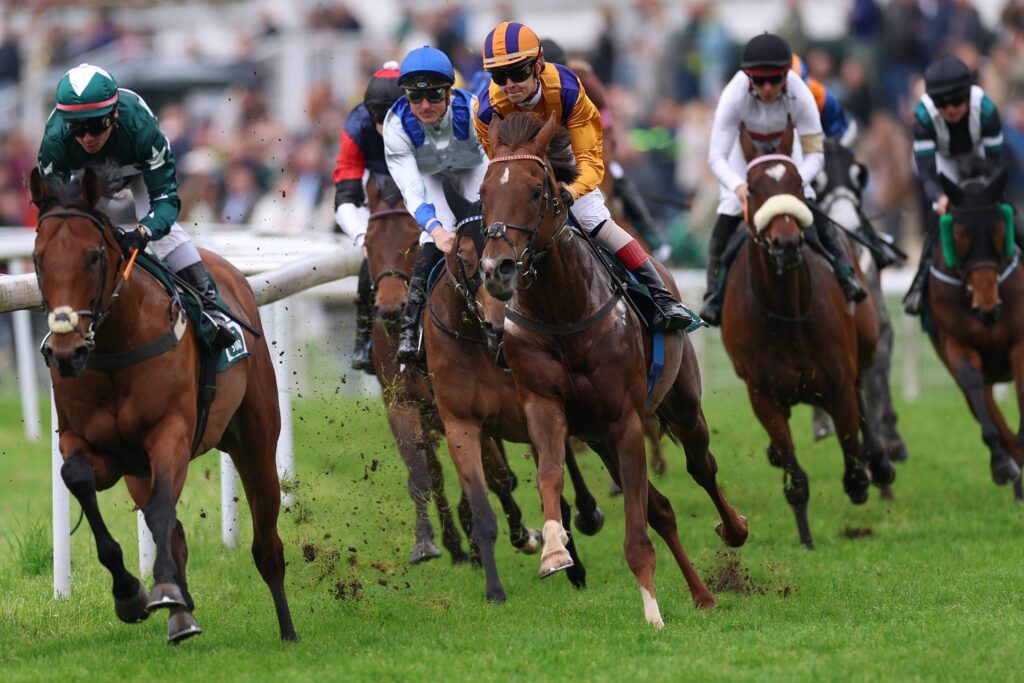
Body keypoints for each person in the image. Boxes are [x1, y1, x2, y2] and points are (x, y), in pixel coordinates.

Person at [474, 21, 692, 331]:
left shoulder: (567, 88)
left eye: (518, 72)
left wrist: (572, 191)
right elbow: (498, 163)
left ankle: (660, 295)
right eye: (499, 76)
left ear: (538, 65)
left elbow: (590, 158)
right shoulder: (486, 110)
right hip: (522, 168)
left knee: (595, 219)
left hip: (568, 159)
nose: (509, 84)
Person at [38, 63, 234, 348]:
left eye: (95, 125)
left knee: (163, 234)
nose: (88, 137)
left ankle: (211, 308)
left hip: (139, 171)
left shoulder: (142, 128)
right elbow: (55, 217)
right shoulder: (54, 144)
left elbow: (166, 200)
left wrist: (144, 231)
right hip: (85, 179)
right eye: (77, 128)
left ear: (114, 114)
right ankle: (62, 323)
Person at [701, 33, 866, 326]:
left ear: (786, 75)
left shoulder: (800, 93)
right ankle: (713, 293)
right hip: (744, 153)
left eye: (774, 80)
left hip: (791, 153)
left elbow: (816, 153)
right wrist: (739, 188)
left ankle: (845, 274)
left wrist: (792, 182)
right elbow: (717, 157)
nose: (766, 88)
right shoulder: (733, 95)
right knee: (728, 211)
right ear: (747, 76)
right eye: (759, 81)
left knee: (811, 204)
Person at [385, 46, 489, 364]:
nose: (425, 105)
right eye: (416, 98)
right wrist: (436, 228)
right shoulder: (396, 125)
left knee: (481, 230)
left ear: (449, 91)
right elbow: (412, 191)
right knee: (433, 240)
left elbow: (490, 163)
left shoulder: (473, 111)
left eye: (433, 95)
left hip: (474, 170)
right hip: (431, 178)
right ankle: (411, 328)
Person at [541, 37, 672, 263]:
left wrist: (603, 156)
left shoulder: (583, 80)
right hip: (556, 153)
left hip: (592, 146)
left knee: (619, 177)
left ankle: (651, 234)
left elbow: (604, 120)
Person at [903, 54, 1013, 315]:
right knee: (934, 223)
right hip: (943, 163)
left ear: (967, 94)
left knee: (1006, 212)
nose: (950, 109)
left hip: (979, 159)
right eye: (942, 103)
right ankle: (920, 285)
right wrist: (940, 198)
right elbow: (928, 173)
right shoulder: (923, 117)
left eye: (956, 101)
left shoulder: (986, 110)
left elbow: (995, 165)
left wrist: (987, 196)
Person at [332, 61, 404, 373]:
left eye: (393, 116)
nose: (384, 125)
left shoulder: (426, 114)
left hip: (425, 190)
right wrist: (364, 237)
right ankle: (364, 338)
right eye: (378, 116)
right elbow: (345, 196)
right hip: (380, 194)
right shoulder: (357, 125)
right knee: (371, 264)